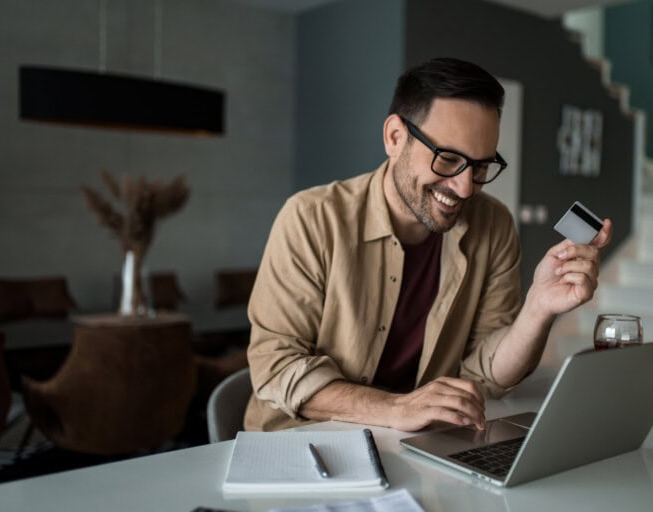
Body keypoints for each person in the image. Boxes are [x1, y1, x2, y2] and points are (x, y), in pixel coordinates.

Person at [244, 57, 612, 433]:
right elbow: (276, 365)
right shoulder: (311, 218)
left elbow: (485, 375)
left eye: (481, 167)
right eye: (448, 159)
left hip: (419, 445)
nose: (465, 187)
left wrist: (538, 308)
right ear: (394, 138)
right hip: (298, 445)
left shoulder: (494, 226)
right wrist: (395, 409)